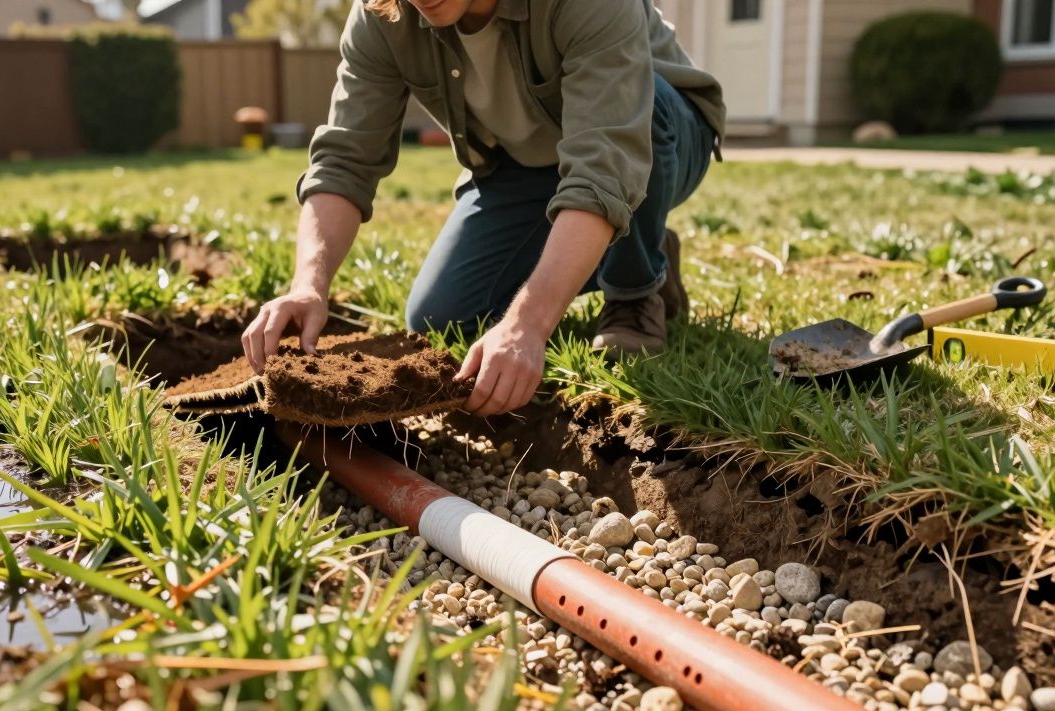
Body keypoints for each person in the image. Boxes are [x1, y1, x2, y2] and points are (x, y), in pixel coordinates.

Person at [241, 0, 724, 417]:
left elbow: (607, 163)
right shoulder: (383, 12)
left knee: (646, 111)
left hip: (656, 134)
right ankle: (631, 240)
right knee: (440, 316)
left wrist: (527, 326)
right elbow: (345, 159)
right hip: (524, 163)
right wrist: (308, 286)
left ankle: (635, 287)